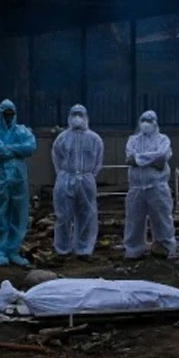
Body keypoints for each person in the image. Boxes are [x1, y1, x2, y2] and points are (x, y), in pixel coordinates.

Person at [0, 99, 37, 266]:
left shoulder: (21, 130)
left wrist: (10, 148)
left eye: (11, 114)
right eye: (5, 114)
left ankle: (13, 250)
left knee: (18, 214)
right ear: (0, 115)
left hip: (18, 179)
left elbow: (31, 147)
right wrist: (18, 149)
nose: (8, 117)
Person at [52, 104, 104, 258]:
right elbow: (56, 158)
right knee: (63, 215)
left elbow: (98, 161)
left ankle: (84, 249)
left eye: (80, 115)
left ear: (86, 117)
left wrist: (88, 176)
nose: (77, 118)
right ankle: (62, 249)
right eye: (74, 114)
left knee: (87, 215)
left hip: (86, 179)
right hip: (65, 178)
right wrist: (64, 175)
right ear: (69, 117)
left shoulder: (95, 139)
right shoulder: (61, 138)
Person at [124, 110, 176, 260]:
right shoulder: (133, 140)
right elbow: (129, 158)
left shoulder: (163, 139)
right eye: (143, 120)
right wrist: (152, 160)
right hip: (136, 187)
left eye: (149, 120)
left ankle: (165, 248)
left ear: (155, 123)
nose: (145, 123)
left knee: (162, 218)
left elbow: (162, 157)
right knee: (134, 220)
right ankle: (133, 250)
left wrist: (138, 159)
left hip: (157, 186)